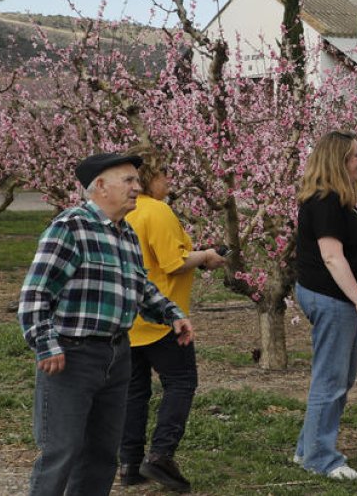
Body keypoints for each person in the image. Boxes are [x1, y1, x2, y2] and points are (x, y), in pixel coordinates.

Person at [17, 152, 194, 496]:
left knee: (101, 454)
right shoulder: (71, 227)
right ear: (100, 186)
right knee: (61, 451)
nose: (137, 187)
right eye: (128, 180)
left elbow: (139, 286)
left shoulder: (126, 234)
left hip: (116, 355)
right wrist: (45, 343)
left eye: (137, 180)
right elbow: (36, 292)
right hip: (72, 356)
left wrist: (172, 314)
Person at [119, 147, 227, 491]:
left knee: (134, 391)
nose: (170, 179)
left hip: (129, 317)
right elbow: (173, 262)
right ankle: (161, 455)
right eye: (165, 172)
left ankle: (129, 463)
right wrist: (206, 256)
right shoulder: (157, 211)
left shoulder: (125, 211)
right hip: (162, 316)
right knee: (181, 382)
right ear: (150, 176)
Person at [292, 131, 357, 481]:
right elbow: (331, 256)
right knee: (331, 379)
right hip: (332, 298)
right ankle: (321, 458)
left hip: (336, 299)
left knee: (340, 377)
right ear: (339, 161)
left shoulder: (338, 200)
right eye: (356, 156)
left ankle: (308, 448)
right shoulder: (325, 200)